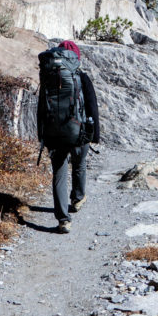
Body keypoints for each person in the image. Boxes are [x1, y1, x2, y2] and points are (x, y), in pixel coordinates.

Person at [42, 40, 99, 233]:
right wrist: (94, 134)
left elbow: (41, 107)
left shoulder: (48, 77)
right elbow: (92, 106)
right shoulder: (81, 77)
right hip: (78, 130)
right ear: (75, 57)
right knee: (79, 163)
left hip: (53, 132)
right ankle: (77, 198)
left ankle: (63, 220)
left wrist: (42, 134)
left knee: (59, 174)